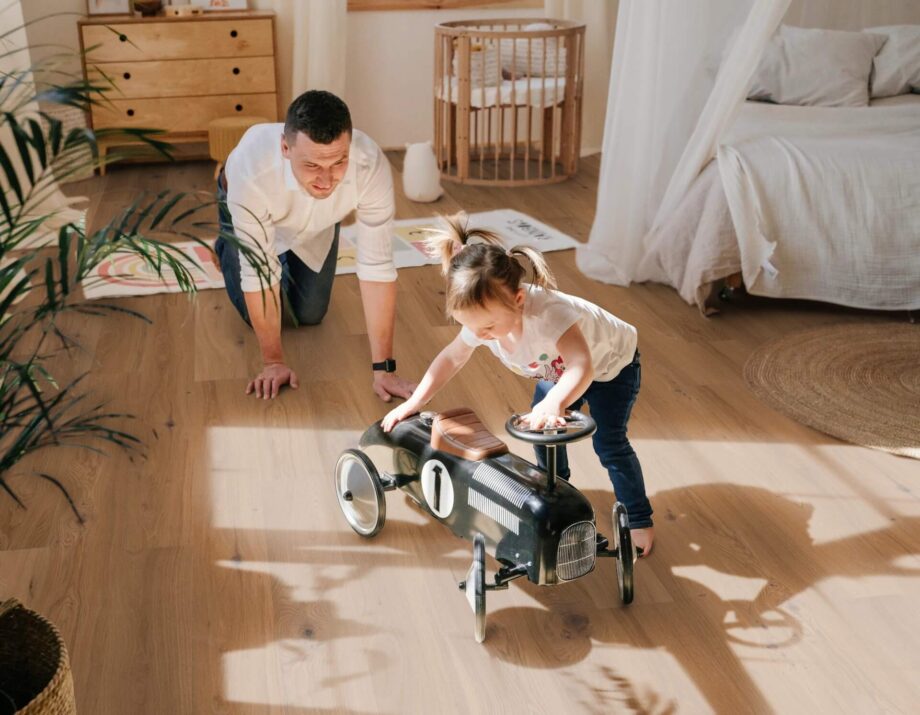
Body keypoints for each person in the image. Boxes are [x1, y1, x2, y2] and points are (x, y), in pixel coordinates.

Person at [381, 216, 654, 555]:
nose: (480, 336)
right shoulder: (484, 319)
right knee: (544, 440)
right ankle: (557, 500)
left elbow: (581, 366)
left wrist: (553, 403)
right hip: (557, 374)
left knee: (609, 444)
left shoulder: (548, 314)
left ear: (520, 301)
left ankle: (639, 519)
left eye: (489, 328)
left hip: (611, 369)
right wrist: (414, 402)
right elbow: (452, 358)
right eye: (473, 328)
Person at [216, 89, 414, 402]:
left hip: (320, 218)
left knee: (309, 314)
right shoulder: (253, 169)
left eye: (339, 162)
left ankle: (295, 243)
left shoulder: (369, 162)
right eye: (312, 165)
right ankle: (227, 247)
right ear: (285, 147)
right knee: (264, 310)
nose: (327, 178)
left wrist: (384, 370)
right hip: (248, 202)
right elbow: (260, 275)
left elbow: (377, 267)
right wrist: (274, 362)